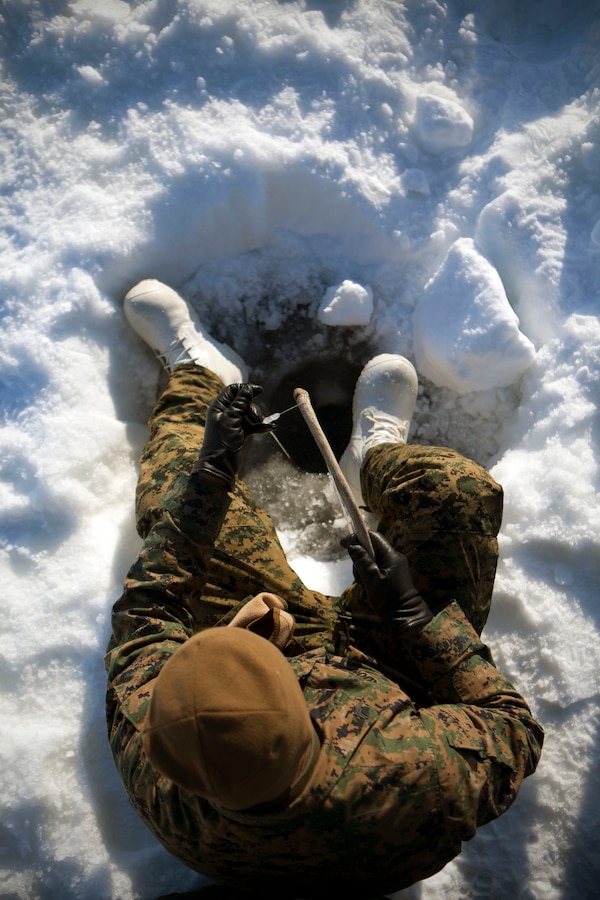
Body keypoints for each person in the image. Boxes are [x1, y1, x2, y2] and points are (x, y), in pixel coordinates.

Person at [105, 279, 544, 899]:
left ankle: (202, 375)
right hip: (395, 669)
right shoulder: (413, 777)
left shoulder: (158, 749)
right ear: (305, 707)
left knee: (172, 495)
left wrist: (209, 473)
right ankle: (382, 458)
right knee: (454, 496)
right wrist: (417, 616)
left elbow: (151, 607)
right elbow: (512, 730)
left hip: (271, 632)